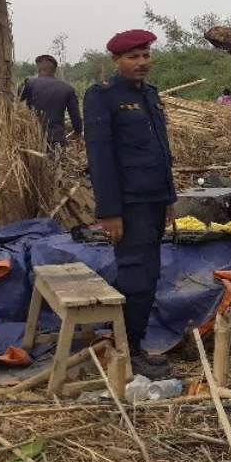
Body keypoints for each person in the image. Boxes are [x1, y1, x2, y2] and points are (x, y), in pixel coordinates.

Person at [84, 30, 176, 379]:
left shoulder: (149, 95)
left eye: (146, 55)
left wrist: (169, 198)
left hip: (154, 200)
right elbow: (100, 156)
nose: (141, 63)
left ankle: (131, 342)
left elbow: (161, 152)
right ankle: (128, 351)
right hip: (129, 203)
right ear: (116, 61)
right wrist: (109, 211)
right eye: (133, 57)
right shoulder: (102, 97)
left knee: (150, 275)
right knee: (136, 277)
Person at [20, 54, 82, 146]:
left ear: (38, 69)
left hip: (32, 139)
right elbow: (75, 117)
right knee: (57, 160)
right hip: (57, 139)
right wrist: (78, 132)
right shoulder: (67, 89)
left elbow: (15, 101)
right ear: (54, 70)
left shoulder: (29, 84)